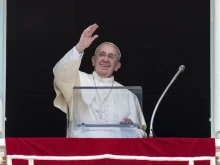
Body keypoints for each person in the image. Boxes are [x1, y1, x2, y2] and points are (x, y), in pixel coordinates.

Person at [53, 23, 147, 138]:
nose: (105, 59)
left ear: (117, 66)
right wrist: (80, 47)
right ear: (93, 60)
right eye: (102, 54)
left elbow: (142, 135)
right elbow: (60, 74)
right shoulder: (77, 80)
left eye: (111, 56)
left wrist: (130, 130)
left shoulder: (128, 95)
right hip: (82, 151)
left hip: (115, 152)